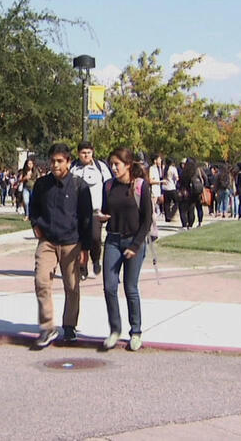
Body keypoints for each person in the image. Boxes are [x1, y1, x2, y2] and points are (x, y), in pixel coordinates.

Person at [29, 144, 93, 348]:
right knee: (41, 281)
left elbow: (87, 219)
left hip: (72, 243)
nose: (55, 165)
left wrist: (85, 250)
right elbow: (33, 208)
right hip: (47, 242)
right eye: (52, 161)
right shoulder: (42, 184)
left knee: (72, 287)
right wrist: (36, 225)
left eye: (59, 161)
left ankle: (69, 326)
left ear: (68, 162)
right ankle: (47, 327)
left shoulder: (79, 186)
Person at [97, 148, 153, 352]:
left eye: (117, 164)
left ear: (128, 165)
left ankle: (135, 332)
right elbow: (106, 210)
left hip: (134, 240)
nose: (113, 168)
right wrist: (102, 217)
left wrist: (135, 245)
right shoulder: (108, 186)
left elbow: (147, 220)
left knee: (130, 288)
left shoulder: (140, 186)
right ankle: (114, 329)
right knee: (109, 287)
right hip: (112, 240)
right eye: (111, 164)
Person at [70, 141, 112, 280]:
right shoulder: (73, 168)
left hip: (95, 211)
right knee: (79, 241)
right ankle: (82, 268)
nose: (86, 155)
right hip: (77, 212)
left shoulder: (101, 167)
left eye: (89, 152)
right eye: (83, 153)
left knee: (95, 238)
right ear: (78, 154)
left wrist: (107, 208)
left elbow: (109, 186)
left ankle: (96, 259)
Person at [176, 158, 203, 229]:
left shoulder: (184, 172)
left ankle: (184, 224)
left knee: (183, 209)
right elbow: (203, 180)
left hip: (185, 193)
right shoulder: (196, 172)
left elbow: (180, 182)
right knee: (191, 209)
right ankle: (190, 224)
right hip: (194, 193)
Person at [19, 157, 38, 221]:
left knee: (32, 202)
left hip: (33, 188)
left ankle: (32, 216)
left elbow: (39, 179)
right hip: (26, 188)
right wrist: (24, 178)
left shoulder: (35, 171)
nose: (29, 165)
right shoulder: (23, 171)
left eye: (31, 164)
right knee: (26, 201)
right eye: (28, 164)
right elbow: (19, 180)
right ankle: (26, 215)